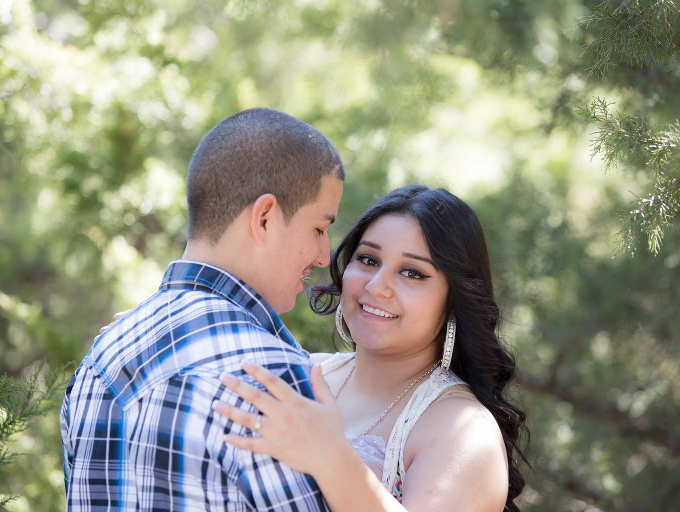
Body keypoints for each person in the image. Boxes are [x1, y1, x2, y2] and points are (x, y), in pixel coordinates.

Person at [59, 108, 345, 511]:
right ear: (264, 218)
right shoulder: (272, 384)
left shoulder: (101, 357)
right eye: (318, 228)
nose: (322, 255)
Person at [211, 185, 529, 512]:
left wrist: (332, 459)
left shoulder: (465, 429)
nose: (376, 286)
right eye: (368, 259)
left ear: (453, 303)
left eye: (412, 273)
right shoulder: (300, 371)